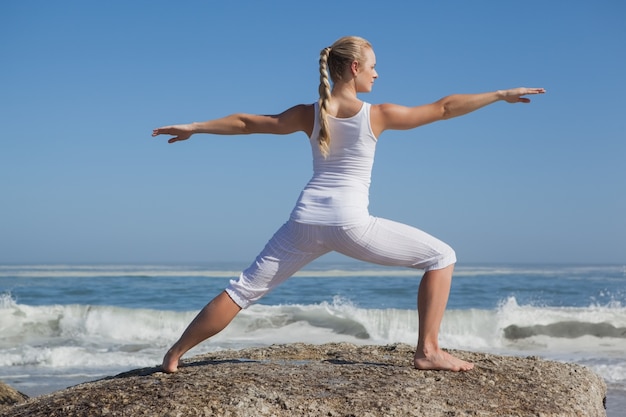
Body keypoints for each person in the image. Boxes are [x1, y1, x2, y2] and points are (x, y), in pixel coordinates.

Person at [152, 35, 545, 373]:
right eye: (374, 67)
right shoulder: (376, 115)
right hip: (350, 222)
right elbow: (443, 108)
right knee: (441, 256)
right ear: (354, 67)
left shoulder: (310, 114)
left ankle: (174, 354)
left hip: (304, 220)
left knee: (242, 291)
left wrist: (194, 127)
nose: (377, 73)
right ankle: (427, 351)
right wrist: (498, 95)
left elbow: (245, 122)